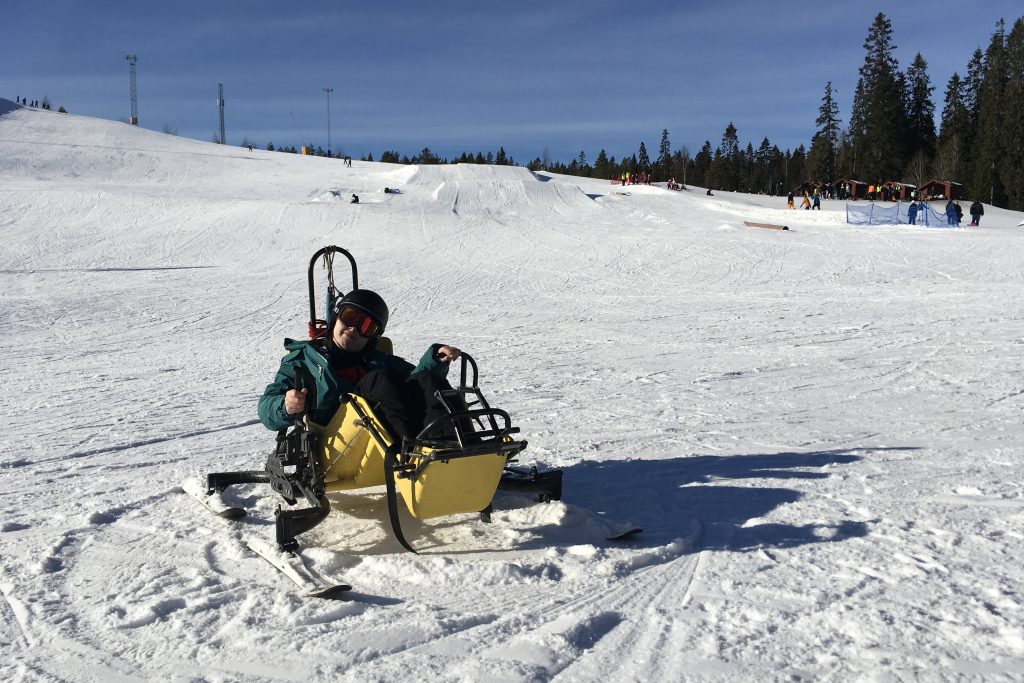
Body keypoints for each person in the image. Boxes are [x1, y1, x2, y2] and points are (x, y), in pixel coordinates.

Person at [257, 289, 462, 443]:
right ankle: (408, 454)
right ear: (336, 319)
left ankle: (458, 447)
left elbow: (417, 382)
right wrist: (285, 405)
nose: (353, 328)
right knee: (377, 381)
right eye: (350, 317)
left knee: (428, 379)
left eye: (366, 326)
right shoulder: (302, 361)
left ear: (372, 338)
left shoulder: (378, 360)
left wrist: (435, 360)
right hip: (335, 442)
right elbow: (266, 409)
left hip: (377, 437)